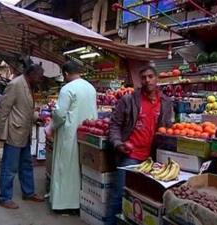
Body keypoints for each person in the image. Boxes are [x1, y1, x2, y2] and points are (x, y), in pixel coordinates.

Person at [109, 65, 173, 201]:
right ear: (140, 81)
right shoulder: (128, 100)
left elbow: (168, 127)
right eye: (143, 78)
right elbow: (115, 124)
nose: (147, 80)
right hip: (130, 156)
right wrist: (118, 144)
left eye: (150, 77)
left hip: (153, 158)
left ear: (157, 79)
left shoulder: (166, 102)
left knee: (143, 197)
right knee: (120, 194)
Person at [48, 60, 98, 212]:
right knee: (80, 168)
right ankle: (79, 202)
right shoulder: (91, 87)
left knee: (65, 168)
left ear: (66, 74)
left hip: (68, 135)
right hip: (86, 133)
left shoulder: (67, 89)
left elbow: (60, 114)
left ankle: (63, 204)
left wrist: (51, 126)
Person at [0, 64, 45, 209]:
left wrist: (37, 117)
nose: (40, 79)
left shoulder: (29, 85)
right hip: (14, 132)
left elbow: (25, 108)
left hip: (25, 132)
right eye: (38, 76)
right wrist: (2, 134)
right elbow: (3, 110)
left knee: (26, 164)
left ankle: (28, 192)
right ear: (31, 74)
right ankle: (4, 198)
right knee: (10, 167)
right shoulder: (15, 84)